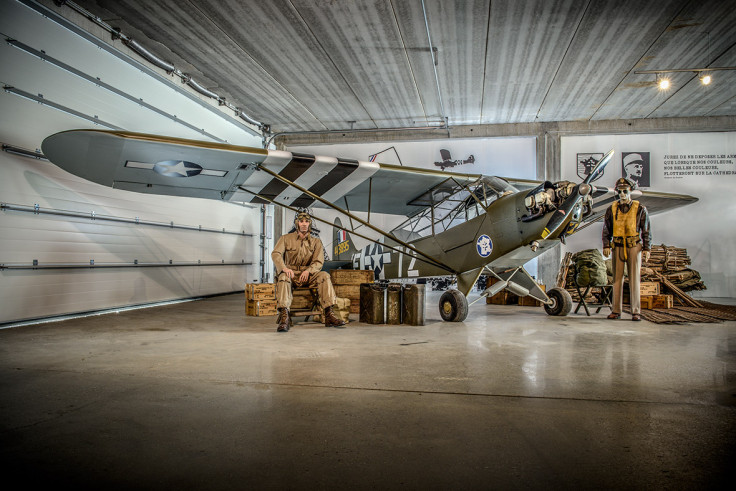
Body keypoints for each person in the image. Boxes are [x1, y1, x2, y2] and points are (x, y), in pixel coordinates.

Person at [271, 211, 347, 332]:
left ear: (310, 224)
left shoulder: (316, 242)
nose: (304, 224)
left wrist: (309, 271)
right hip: (291, 274)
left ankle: (329, 314)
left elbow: (318, 261)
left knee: (324, 276)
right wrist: (284, 268)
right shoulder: (285, 239)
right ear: (297, 223)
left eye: (307, 221)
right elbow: (276, 254)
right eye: (301, 221)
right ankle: (284, 317)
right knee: (283, 278)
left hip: (308, 275)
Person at [602, 177, 651, 321]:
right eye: (619, 191)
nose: (622, 194)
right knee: (617, 280)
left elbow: (646, 230)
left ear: (630, 191)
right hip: (617, 246)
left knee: (634, 279)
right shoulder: (611, 208)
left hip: (633, 245)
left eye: (624, 191)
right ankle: (616, 310)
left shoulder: (640, 208)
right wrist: (606, 244)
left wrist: (647, 248)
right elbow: (607, 228)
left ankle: (636, 311)